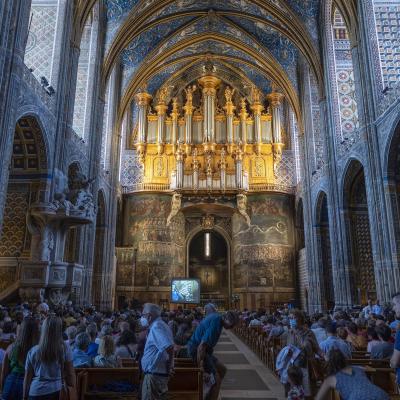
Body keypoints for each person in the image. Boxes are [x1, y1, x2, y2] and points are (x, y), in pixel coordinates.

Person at [187, 310, 239, 400]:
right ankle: (212, 393)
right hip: (196, 350)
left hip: (205, 351)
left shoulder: (218, 318)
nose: (232, 327)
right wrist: (201, 368)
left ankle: (209, 395)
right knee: (216, 380)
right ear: (227, 320)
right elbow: (201, 347)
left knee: (222, 369)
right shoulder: (216, 324)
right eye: (232, 324)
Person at [23, 315, 76, 400]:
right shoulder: (65, 349)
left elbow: (27, 378)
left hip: (35, 392)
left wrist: (24, 397)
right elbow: (70, 373)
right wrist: (73, 390)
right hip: (56, 391)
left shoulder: (33, 351)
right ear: (59, 330)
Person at [315, 349, 389, 400]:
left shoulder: (330, 379)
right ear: (344, 359)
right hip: (381, 394)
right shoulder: (359, 368)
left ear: (329, 363)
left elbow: (319, 398)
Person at [286, 310, 324, 398]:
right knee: (294, 394)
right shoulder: (289, 333)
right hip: (293, 366)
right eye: (290, 318)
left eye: (293, 318)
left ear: (300, 319)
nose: (291, 320)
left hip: (307, 366)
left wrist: (324, 355)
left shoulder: (309, 333)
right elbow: (287, 348)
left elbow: (317, 349)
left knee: (307, 393)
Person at [141, 303, 175, 400]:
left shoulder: (157, 327)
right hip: (156, 374)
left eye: (143, 315)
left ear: (149, 316)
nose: (142, 318)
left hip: (154, 376)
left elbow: (169, 347)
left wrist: (169, 368)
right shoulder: (160, 325)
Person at [1, 317, 39, 400]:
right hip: (28, 384)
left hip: (10, 382)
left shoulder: (11, 347)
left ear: (21, 330)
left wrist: (3, 388)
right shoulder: (37, 350)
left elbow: (4, 372)